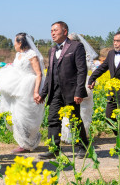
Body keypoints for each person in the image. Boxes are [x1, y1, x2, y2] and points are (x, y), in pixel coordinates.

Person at [35, 21, 89, 159]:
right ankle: (53, 149)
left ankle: (83, 147)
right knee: (53, 119)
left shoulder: (77, 47)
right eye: (51, 30)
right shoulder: (52, 50)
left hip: (71, 91)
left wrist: (79, 91)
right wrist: (43, 93)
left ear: (65, 32)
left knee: (74, 120)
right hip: (55, 91)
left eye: (55, 30)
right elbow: (50, 74)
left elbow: (82, 71)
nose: (52, 33)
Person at [0, 33, 45, 153]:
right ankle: (24, 143)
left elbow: (39, 74)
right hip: (16, 87)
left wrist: (36, 91)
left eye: (15, 41)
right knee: (16, 116)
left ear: (20, 43)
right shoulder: (18, 54)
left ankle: (27, 143)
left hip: (28, 88)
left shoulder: (31, 54)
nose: (14, 44)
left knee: (26, 116)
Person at [87, 31, 120, 150]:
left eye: (118, 41)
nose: (115, 43)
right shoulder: (111, 54)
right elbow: (103, 67)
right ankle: (119, 137)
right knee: (109, 117)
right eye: (114, 41)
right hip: (112, 92)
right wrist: (92, 77)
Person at [60, 33, 97, 144]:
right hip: (69, 84)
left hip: (83, 84)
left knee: (83, 112)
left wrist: (93, 79)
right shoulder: (65, 53)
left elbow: (94, 68)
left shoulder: (86, 55)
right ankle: (69, 136)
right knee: (69, 110)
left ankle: (82, 135)